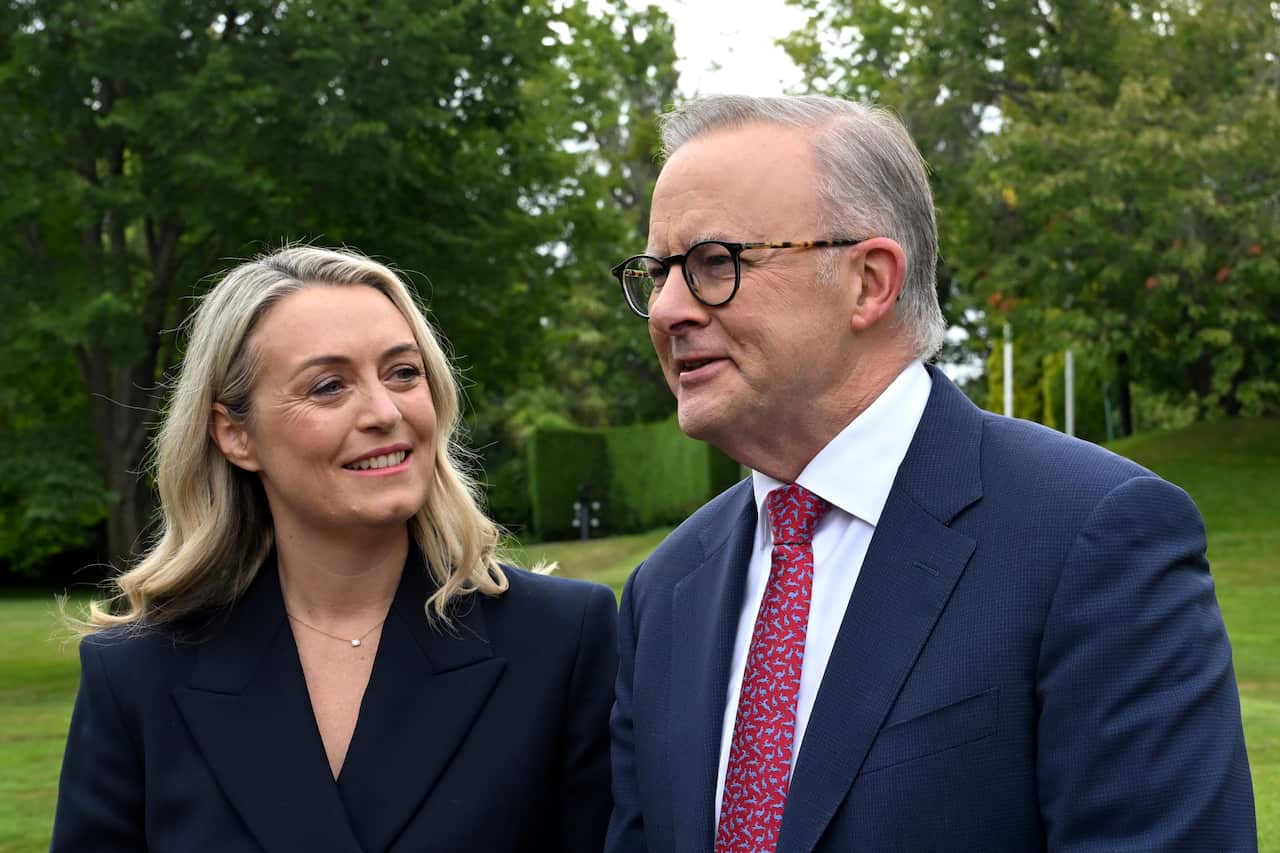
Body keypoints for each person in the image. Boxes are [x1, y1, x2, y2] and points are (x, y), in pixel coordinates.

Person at [605, 95, 1256, 852]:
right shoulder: (665, 588)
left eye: (715, 264)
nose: (667, 309)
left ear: (870, 282)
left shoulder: (1093, 537)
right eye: (657, 273)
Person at [51, 246, 617, 852]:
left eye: (403, 372)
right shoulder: (136, 676)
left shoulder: (562, 641)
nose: (383, 411)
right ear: (236, 435)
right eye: (328, 387)